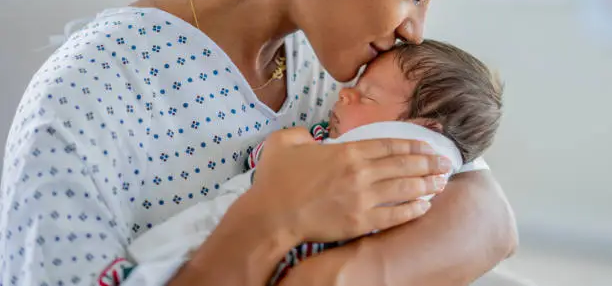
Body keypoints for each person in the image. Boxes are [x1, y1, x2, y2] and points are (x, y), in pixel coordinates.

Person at [0, 0, 518, 285]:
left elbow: (486, 210)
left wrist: (339, 276)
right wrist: (272, 220)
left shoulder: (343, 65)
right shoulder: (88, 95)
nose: (414, 30)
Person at [123, 40, 504, 286]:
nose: (344, 95)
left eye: (366, 97)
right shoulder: (330, 140)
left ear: (422, 133)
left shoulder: (427, 179)